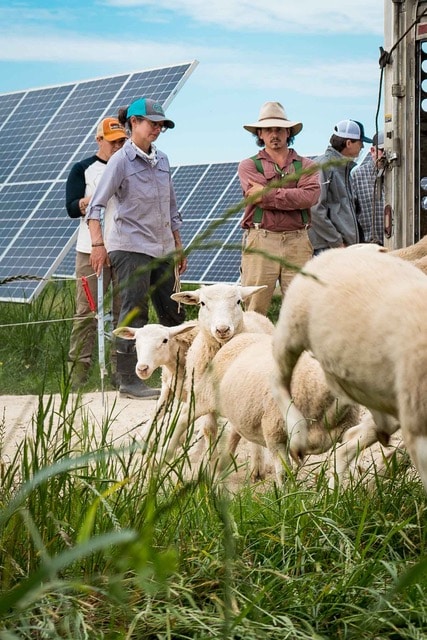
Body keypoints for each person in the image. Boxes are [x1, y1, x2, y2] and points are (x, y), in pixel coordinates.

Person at [86, 97, 187, 399]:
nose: (157, 128)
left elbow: (171, 207)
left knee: (173, 312)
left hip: (163, 246)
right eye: (152, 123)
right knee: (134, 313)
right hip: (129, 246)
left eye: (161, 125)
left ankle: (182, 373)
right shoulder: (120, 161)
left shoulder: (164, 160)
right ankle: (128, 380)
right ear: (133, 123)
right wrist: (97, 244)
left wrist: (179, 246)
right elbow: (95, 207)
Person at [238, 101, 320, 315]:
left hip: (298, 242)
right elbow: (257, 197)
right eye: (268, 130)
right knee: (254, 308)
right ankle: (253, 347)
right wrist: (293, 195)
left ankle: (298, 350)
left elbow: (309, 197)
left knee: (301, 309)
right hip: (261, 240)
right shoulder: (248, 165)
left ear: (288, 132)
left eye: (279, 129)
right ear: (260, 134)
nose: (274, 134)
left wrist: (268, 193)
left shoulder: (307, 165)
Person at [65, 117, 127, 388]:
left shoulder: (128, 166)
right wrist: (97, 196)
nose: (118, 146)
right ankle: (76, 377)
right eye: (113, 142)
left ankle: (120, 374)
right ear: (99, 140)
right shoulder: (83, 169)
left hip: (124, 249)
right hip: (89, 250)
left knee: (122, 312)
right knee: (87, 312)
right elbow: (70, 207)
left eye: (122, 141)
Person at [308, 119, 372, 255]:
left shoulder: (343, 169)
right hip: (327, 248)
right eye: (360, 143)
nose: (362, 147)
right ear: (349, 143)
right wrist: (337, 242)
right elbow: (314, 210)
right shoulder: (322, 167)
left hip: (339, 247)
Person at [351, 131, 385, 245]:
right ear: (372, 151)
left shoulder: (402, 175)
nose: (386, 154)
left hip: (399, 244)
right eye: (382, 150)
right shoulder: (358, 175)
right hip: (368, 246)